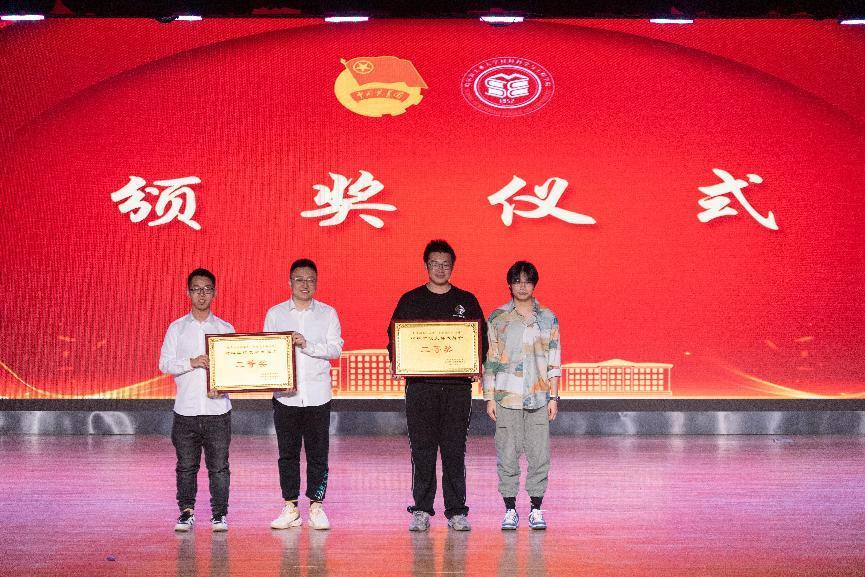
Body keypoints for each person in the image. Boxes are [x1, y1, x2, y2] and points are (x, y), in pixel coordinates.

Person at [388, 240, 488, 532]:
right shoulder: (410, 300)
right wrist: (399, 362)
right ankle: (421, 509)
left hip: (457, 390)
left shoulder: (466, 300)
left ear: (452, 267)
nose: (440, 269)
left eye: (446, 264)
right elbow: (394, 338)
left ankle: (456, 511)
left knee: (455, 450)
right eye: (435, 263)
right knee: (422, 451)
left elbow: (481, 340)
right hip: (420, 389)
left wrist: (475, 363)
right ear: (426, 265)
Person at [266, 258, 343, 531]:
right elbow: (267, 352)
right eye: (299, 279)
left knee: (318, 454)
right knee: (287, 454)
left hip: (317, 396)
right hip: (285, 396)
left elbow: (336, 349)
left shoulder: (328, 313)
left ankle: (316, 506)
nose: (305, 284)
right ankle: (290, 507)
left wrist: (307, 344)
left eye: (310, 280)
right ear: (289, 282)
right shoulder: (275, 314)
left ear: (316, 283)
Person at [483, 261, 561, 530]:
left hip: (539, 398)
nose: (522, 286)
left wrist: (554, 398)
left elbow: (553, 359)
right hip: (507, 397)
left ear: (534, 284)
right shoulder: (498, 318)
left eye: (527, 281)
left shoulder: (548, 318)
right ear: (510, 284)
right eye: (517, 281)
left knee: (539, 455)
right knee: (507, 455)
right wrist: (489, 396)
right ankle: (510, 510)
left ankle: (536, 509)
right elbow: (491, 359)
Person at [159, 268, 235, 533]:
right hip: (186, 410)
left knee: (219, 468)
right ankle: (186, 512)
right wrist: (191, 362)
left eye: (207, 289)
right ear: (188, 292)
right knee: (186, 467)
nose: (202, 294)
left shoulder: (225, 329)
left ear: (215, 293)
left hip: (217, 410)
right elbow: (164, 364)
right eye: (196, 289)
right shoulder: (177, 328)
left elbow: (235, 369)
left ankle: (219, 514)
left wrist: (224, 387)